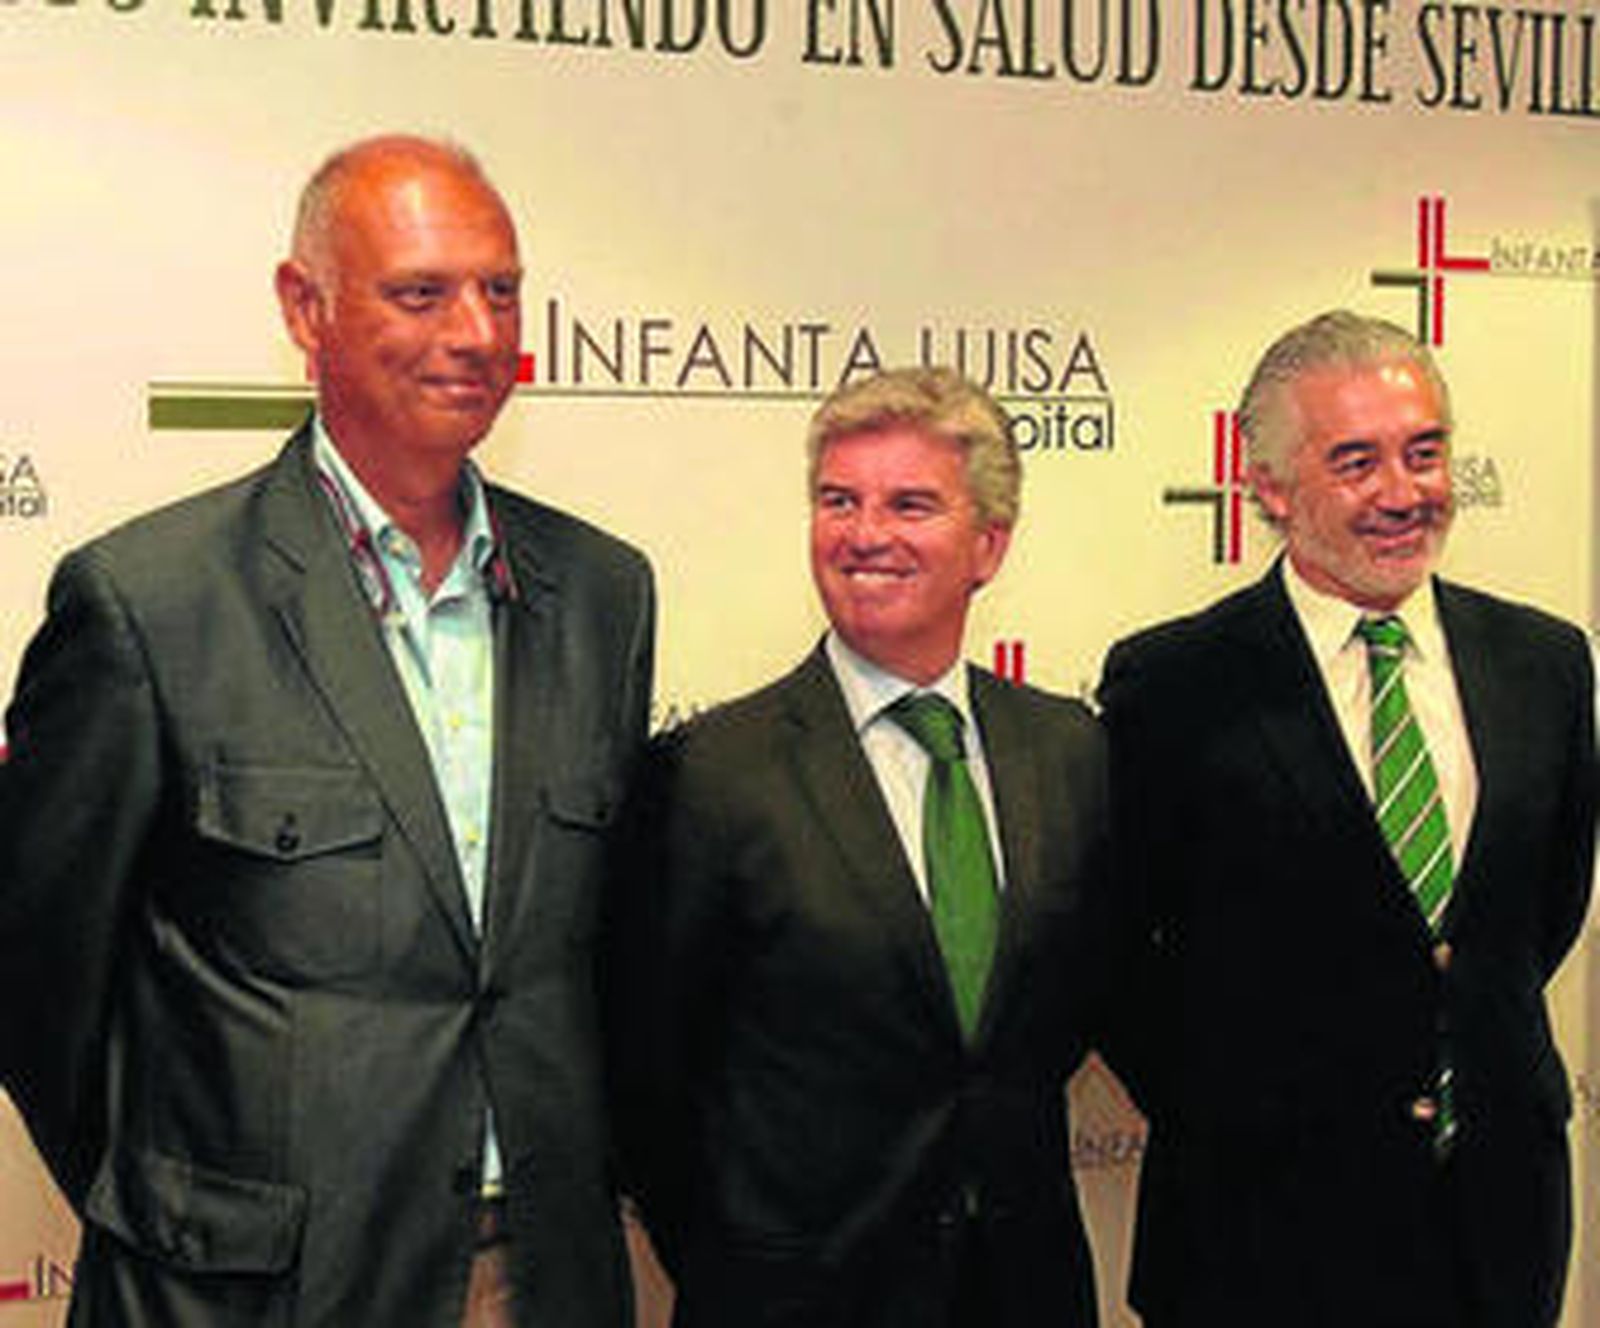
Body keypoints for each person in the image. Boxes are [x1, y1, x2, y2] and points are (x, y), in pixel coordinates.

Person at [0, 134, 654, 1328]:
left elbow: (600, 955)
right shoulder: (149, 602)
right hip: (256, 1291)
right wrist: (190, 1208)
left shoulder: (602, 591)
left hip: (542, 1273)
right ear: (306, 308)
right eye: (422, 291)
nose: (475, 330)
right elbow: (36, 975)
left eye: (499, 289)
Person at [1099, 310, 1596, 1328]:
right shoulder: (1171, 682)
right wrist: (1240, 1106)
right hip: (1255, 1237)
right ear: (1270, 487)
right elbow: (1112, 954)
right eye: (1356, 461)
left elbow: (1536, 913)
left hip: (1494, 1229)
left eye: (1423, 452)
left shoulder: (1546, 661)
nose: (1403, 492)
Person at [609, 367, 1114, 1328]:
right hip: (795, 1300)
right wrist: (739, 1268)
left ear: (990, 546)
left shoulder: (1067, 748)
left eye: (910, 504)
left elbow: (1068, 1007)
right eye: (839, 501)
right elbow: (648, 1079)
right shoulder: (713, 771)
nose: (865, 533)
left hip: (1023, 1288)